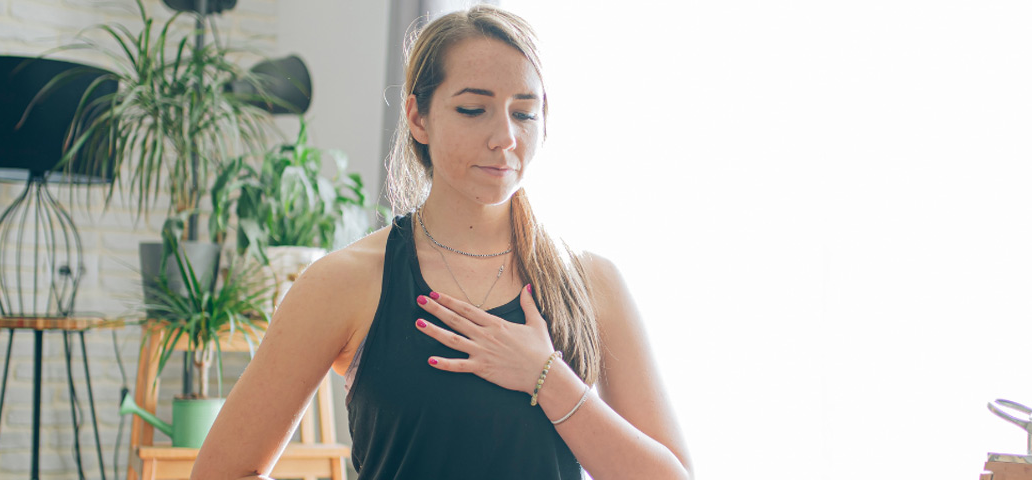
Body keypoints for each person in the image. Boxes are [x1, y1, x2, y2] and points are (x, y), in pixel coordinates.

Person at [190, 5, 691, 479]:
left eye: (524, 113)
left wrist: (547, 378)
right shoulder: (346, 282)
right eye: (474, 109)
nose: (505, 137)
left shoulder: (591, 283)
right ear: (417, 117)